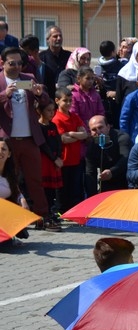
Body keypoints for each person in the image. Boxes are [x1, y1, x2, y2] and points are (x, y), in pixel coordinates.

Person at [0, 47, 51, 228]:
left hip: (29, 138)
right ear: (2, 62)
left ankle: (41, 216)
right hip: (7, 141)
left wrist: (39, 94)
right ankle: (10, 218)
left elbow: (45, 101)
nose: (16, 67)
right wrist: (4, 96)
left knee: (35, 179)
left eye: (20, 63)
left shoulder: (28, 78)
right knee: (8, 180)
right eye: (12, 63)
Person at [52, 87, 88, 212]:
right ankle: (61, 211)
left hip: (75, 159)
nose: (68, 103)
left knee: (75, 188)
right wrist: (76, 135)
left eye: (70, 101)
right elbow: (63, 139)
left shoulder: (74, 116)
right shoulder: (56, 118)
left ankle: (74, 211)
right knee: (63, 189)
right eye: (65, 101)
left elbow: (84, 134)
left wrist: (71, 133)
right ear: (57, 101)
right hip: (64, 160)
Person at [85, 115, 130, 195]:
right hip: (104, 184)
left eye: (100, 127)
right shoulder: (91, 146)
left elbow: (126, 158)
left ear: (108, 127)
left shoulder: (122, 138)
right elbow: (90, 173)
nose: (98, 132)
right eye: (94, 130)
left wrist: (112, 172)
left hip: (124, 180)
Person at [36, 100, 63, 229]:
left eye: (53, 110)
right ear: (40, 111)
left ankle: (52, 211)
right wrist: (53, 158)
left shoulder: (53, 125)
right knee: (45, 187)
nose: (52, 113)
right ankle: (45, 214)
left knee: (53, 189)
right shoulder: (38, 127)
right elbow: (43, 145)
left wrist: (59, 155)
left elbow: (58, 141)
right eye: (48, 110)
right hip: (45, 160)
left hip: (54, 160)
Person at [71, 67, 106, 132]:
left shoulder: (95, 94)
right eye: (87, 78)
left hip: (96, 129)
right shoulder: (74, 95)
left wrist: (98, 126)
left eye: (92, 78)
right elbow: (74, 115)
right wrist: (85, 129)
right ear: (79, 79)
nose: (90, 81)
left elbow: (101, 112)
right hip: (82, 130)